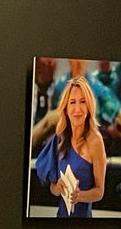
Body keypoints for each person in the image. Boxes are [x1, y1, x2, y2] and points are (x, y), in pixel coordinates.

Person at [34, 73, 107, 218]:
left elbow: (99, 192)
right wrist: (58, 187)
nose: (78, 109)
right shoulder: (59, 138)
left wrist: (80, 196)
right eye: (72, 102)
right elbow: (53, 189)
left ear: (89, 106)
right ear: (66, 108)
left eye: (82, 102)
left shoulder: (95, 140)